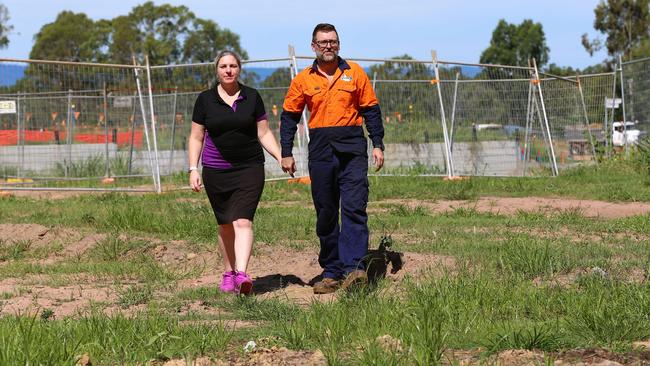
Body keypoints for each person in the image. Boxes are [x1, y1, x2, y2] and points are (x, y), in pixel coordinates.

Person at [280, 23, 385, 294]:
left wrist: (377, 144)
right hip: (321, 151)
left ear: (339, 44)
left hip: (352, 149)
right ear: (313, 46)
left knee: (353, 207)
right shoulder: (303, 79)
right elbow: (290, 117)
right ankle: (331, 271)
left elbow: (371, 110)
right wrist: (286, 152)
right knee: (326, 212)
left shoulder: (355, 72)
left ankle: (354, 270)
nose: (329, 46)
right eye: (323, 42)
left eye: (333, 41)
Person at [188, 50, 282, 295]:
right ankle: (228, 273)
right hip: (215, 171)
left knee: (243, 221)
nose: (228, 70)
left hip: (249, 168)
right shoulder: (205, 100)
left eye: (232, 66)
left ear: (239, 69)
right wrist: (192, 169)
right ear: (216, 70)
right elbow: (196, 137)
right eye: (223, 66)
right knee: (225, 225)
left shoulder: (252, 97)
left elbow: (264, 132)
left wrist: (280, 156)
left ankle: (242, 274)